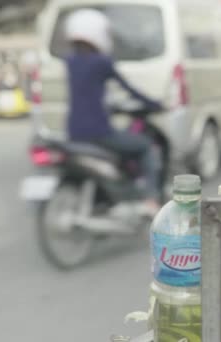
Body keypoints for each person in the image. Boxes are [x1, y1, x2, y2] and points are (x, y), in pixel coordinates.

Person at [64, 9, 162, 215]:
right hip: (98, 133)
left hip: (73, 133)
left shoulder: (71, 62)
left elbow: (86, 93)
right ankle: (151, 200)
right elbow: (129, 89)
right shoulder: (102, 62)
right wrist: (154, 104)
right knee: (145, 147)